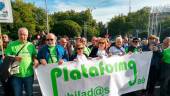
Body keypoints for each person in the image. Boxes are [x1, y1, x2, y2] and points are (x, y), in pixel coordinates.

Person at [5, 27, 39, 96]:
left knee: (29, 93)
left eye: (24, 35)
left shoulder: (31, 45)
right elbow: (7, 57)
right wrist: (14, 57)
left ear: (27, 35)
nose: (23, 36)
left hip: (28, 74)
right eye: (21, 34)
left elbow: (34, 55)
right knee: (17, 94)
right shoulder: (11, 44)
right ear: (18, 34)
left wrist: (35, 60)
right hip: (15, 75)